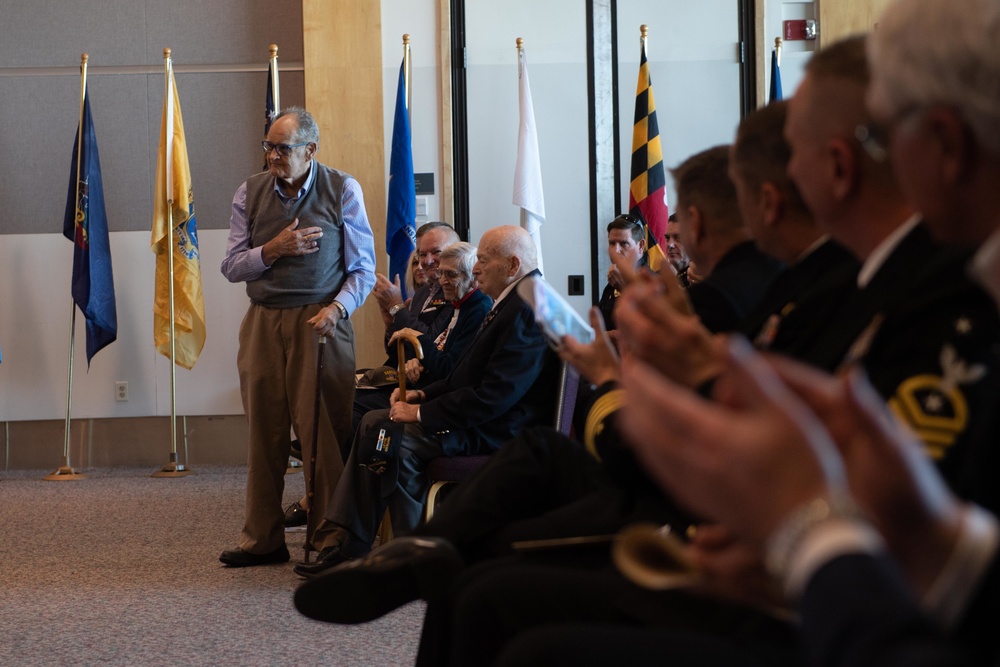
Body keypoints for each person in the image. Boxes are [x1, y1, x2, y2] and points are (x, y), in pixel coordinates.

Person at [292, 225, 560, 580]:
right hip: (486, 418)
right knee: (375, 422)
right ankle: (350, 542)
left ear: (511, 264)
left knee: (395, 440)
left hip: (498, 430)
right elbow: (465, 376)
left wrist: (421, 413)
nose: (475, 268)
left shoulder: (526, 308)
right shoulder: (514, 300)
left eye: (482, 259)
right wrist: (422, 394)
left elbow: (495, 397)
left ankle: (409, 557)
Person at [218, 106, 376, 567]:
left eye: (283, 148)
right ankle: (262, 540)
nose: (272, 156)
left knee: (323, 436)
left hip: (322, 321)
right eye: (268, 147)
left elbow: (363, 268)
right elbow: (230, 266)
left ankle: (330, 538)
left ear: (310, 149)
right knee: (263, 435)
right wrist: (273, 250)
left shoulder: (342, 188)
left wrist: (338, 308)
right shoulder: (249, 192)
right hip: (264, 320)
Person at [390, 242, 492, 388]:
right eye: (441, 273)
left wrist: (416, 336)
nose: (443, 281)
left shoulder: (479, 310)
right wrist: (419, 361)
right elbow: (440, 349)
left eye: (451, 274)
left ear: (473, 278)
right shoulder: (460, 302)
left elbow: (448, 369)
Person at [597, 214, 649, 330]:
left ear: (641, 246)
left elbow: (652, 330)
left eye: (624, 243)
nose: (616, 250)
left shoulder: (652, 282)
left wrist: (625, 288)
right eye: (612, 243)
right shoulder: (612, 283)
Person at [662, 213, 692, 286]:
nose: (670, 244)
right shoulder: (677, 278)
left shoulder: (699, 281)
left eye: (678, 238)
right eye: (667, 238)